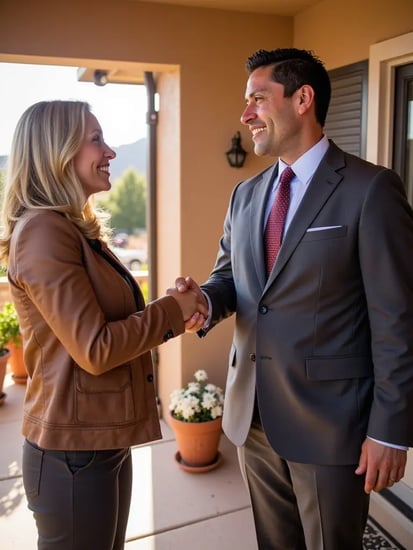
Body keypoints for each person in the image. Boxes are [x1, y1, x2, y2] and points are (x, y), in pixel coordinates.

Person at [171, 48, 413, 549]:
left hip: (331, 425)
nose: (245, 114)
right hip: (252, 417)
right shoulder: (245, 194)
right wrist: (206, 301)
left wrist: (390, 431)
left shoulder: (371, 190)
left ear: (303, 99)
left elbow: (398, 320)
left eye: (258, 99)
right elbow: (230, 280)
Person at [0, 100, 206, 550]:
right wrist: (171, 308)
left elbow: (108, 323)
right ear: (59, 151)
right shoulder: (42, 232)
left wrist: (174, 308)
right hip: (72, 456)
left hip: (98, 442)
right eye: (96, 139)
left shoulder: (71, 230)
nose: (110, 151)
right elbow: (94, 348)